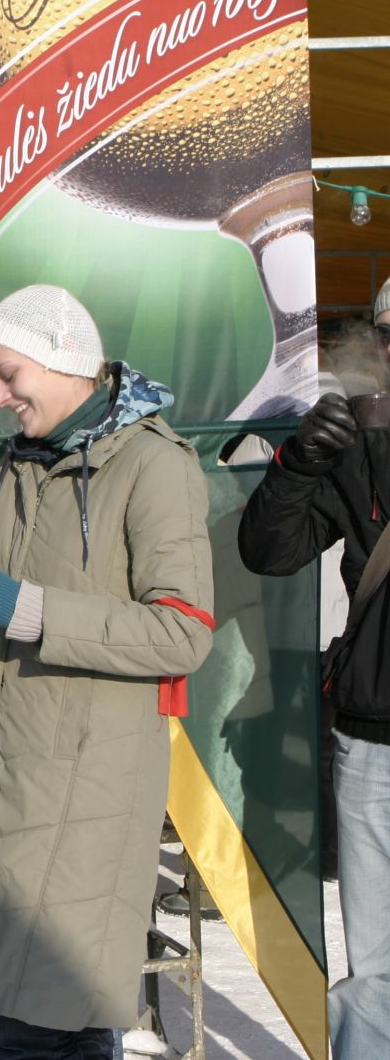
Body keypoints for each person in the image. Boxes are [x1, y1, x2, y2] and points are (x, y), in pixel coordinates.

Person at [0, 285, 215, 1058]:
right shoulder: (19, 467)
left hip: (87, 798)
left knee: (47, 1026)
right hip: (2, 783)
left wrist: (28, 608)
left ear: (65, 358)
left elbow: (183, 631)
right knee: (25, 1024)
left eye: (10, 377)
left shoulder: (153, 464)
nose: (1, 399)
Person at [237, 277, 390, 1060]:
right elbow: (268, 552)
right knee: (379, 969)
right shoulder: (359, 446)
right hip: (372, 745)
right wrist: (298, 464)